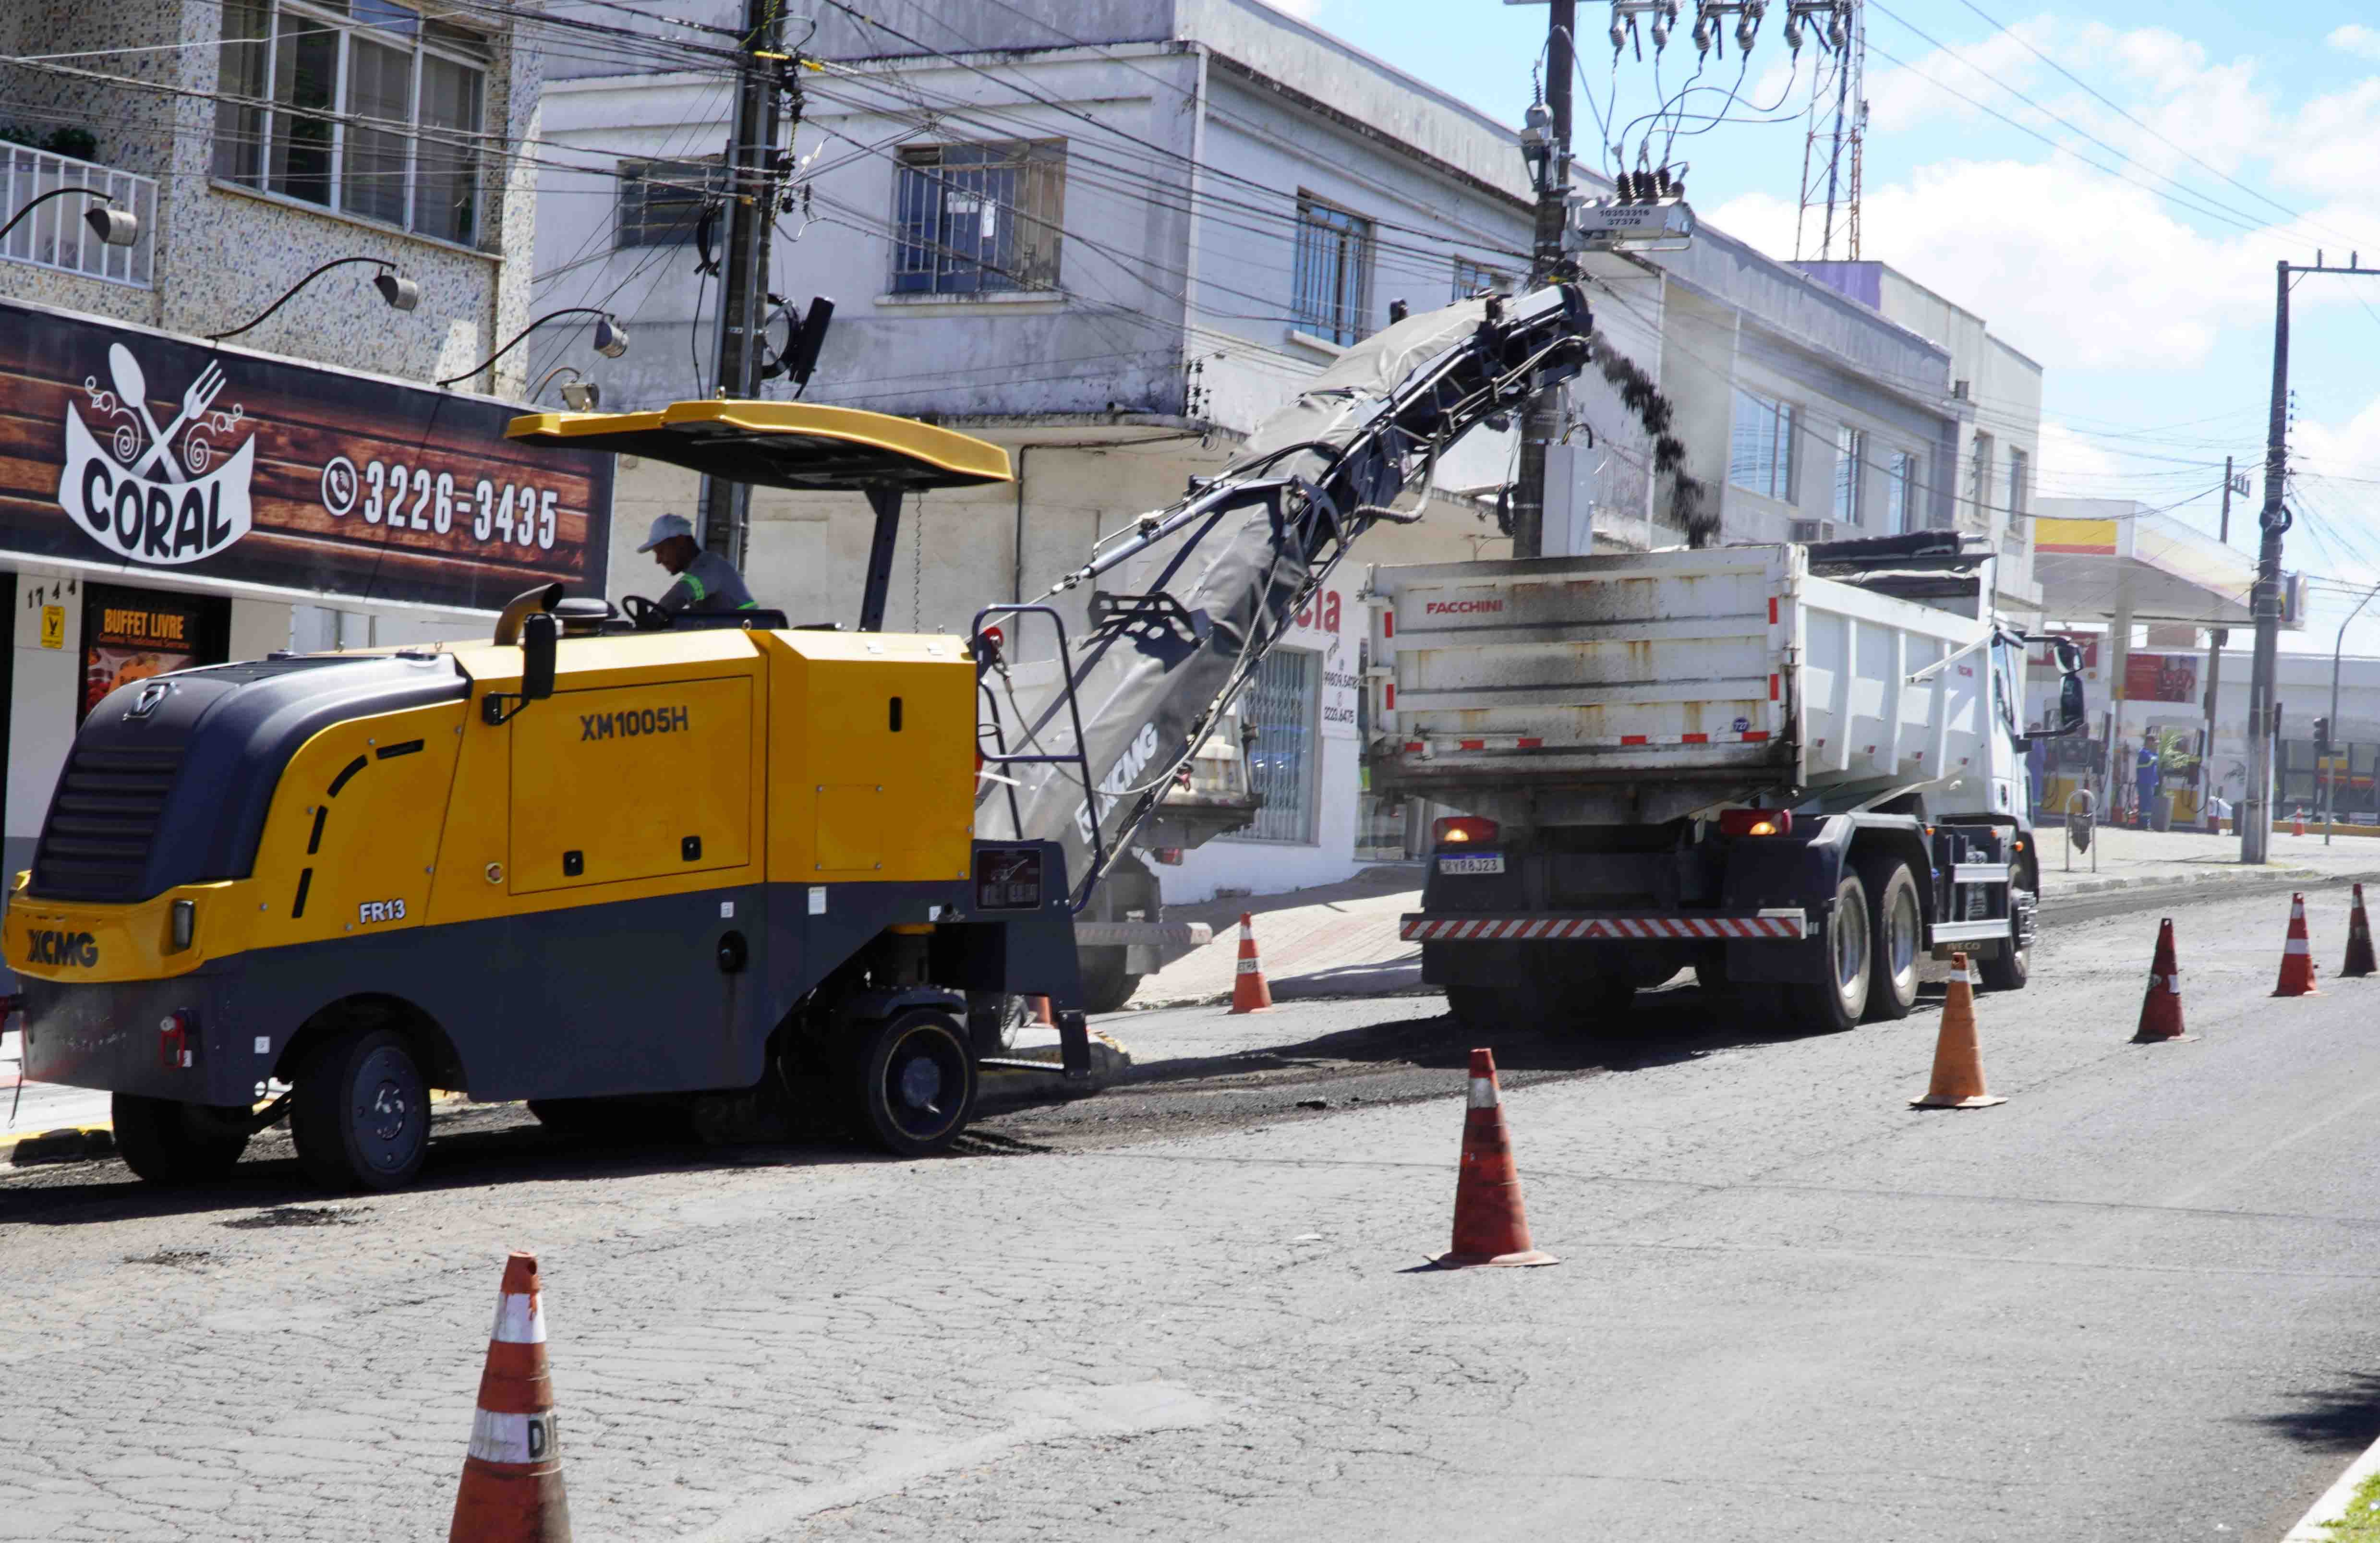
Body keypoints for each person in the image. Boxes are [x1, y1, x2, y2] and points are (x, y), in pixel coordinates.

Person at [636, 513, 756, 615]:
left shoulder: (710, 566)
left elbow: (681, 593)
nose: (658, 560)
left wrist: (654, 617)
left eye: (661, 551)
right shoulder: (703, 567)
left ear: (680, 541)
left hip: (745, 638)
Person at [2135, 734, 2162, 830]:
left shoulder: (2150, 753)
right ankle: (2145, 824)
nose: (2155, 744)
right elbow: (2154, 760)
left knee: (2147, 803)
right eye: (2154, 742)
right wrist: (2155, 751)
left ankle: (2144, 823)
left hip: (2150, 782)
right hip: (2145, 782)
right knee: (2145, 804)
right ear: (2149, 742)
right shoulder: (2144, 753)